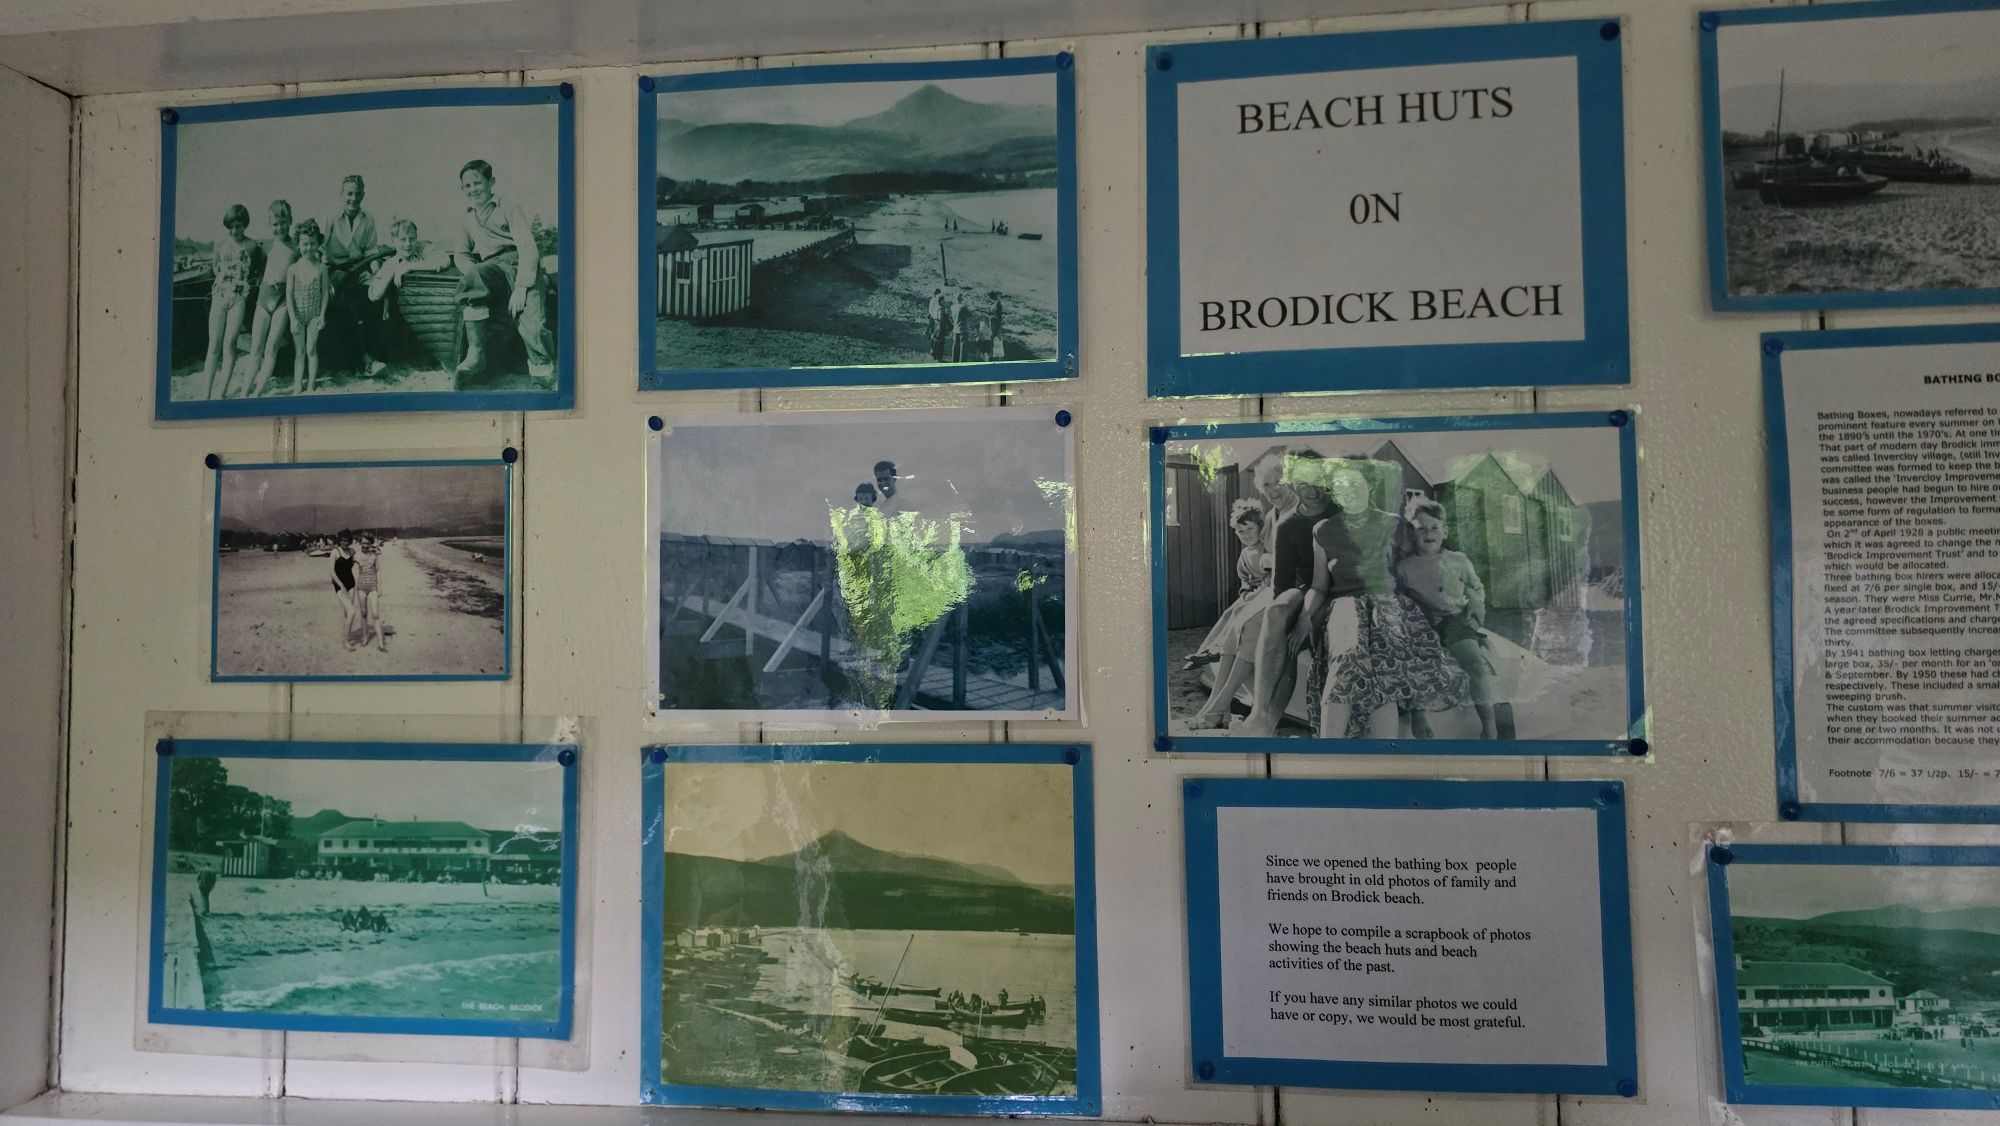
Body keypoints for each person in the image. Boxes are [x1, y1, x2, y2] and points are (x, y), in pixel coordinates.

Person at [1296, 464, 1467, 739]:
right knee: (1349, 652)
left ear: (1369, 486)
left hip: (1388, 602)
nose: (1349, 491)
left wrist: (1450, 601)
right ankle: (1330, 751)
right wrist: (1304, 617)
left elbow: (1422, 559)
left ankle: (1384, 754)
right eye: (1341, 487)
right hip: (1345, 603)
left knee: (1382, 661)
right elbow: (1318, 586)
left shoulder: (1394, 523)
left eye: (1356, 484)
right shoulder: (1323, 530)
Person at [1233, 449, 1328, 736]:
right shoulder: (1287, 525)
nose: (1309, 489)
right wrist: (1286, 619)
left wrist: (1306, 619)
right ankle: (1261, 715)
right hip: (1305, 588)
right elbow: (1282, 587)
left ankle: (1265, 720)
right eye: (1301, 481)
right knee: (1276, 613)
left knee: (1293, 633)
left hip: (1338, 589)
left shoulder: (1339, 511)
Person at [1396, 499, 1498, 738]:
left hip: (1455, 619)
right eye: (1420, 528)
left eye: (1434, 527)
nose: (1428, 533)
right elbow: (1398, 598)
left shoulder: (1458, 560)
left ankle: (1490, 726)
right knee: (1413, 657)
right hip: (1422, 622)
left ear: (1445, 531)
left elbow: (1477, 588)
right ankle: (1418, 714)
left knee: (1473, 660)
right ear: (1412, 532)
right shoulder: (1404, 567)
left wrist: (1476, 605)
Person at [453, 158, 555, 382]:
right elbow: (461, 253)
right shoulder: (466, 217)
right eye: (467, 186)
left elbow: (528, 249)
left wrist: (521, 288)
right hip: (493, 268)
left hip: (520, 264)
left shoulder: (508, 206)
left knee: (533, 327)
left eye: (478, 183)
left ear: (491, 182)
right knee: (474, 277)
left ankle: (542, 371)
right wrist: (475, 275)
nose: (473, 189)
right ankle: (477, 353)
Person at [1183, 499, 1271, 729]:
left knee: (1239, 614)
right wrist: (1245, 593)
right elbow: (1244, 580)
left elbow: (1270, 580)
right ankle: (1209, 649)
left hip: (1266, 593)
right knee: (1231, 612)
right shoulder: (1245, 554)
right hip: (1252, 595)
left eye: (1250, 529)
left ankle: (1213, 649)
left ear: (1261, 527)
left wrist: (1253, 594)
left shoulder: (1267, 549)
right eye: (1241, 532)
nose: (1245, 535)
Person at [322, 173, 387, 378]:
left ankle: (377, 356)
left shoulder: (368, 219)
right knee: (348, 303)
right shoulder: (331, 218)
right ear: (341, 194)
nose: (353, 198)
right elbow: (320, 251)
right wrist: (325, 280)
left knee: (379, 293)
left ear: (363, 195)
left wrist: (377, 275)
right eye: (349, 194)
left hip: (360, 268)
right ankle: (364, 360)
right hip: (334, 271)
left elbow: (370, 252)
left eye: (358, 194)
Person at [365, 219, 446, 367]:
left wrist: (410, 267)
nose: (408, 244)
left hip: (432, 308)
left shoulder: (423, 249)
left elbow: (445, 261)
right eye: (402, 239)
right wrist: (395, 269)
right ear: (393, 241)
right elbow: (374, 294)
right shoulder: (390, 263)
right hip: (408, 313)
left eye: (412, 239)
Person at [201, 204, 258, 400]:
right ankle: (205, 392)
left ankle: (221, 392)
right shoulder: (219, 244)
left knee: (230, 344)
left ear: (245, 225)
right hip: (219, 297)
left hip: (239, 299)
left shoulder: (252, 246)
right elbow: (215, 269)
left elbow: (259, 270)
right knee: (214, 344)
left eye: (239, 226)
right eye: (231, 226)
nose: (234, 231)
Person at [245, 199, 296, 397]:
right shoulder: (264, 246)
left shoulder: (296, 248)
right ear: (269, 224)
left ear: (290, 221)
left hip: (282, 301)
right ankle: (245, 389)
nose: (279, 227)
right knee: (255, 349)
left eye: (283, 222)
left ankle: (258, 391)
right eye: (275, 224)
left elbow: (311, 261)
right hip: (263, 300)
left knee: (271, 348)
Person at [284, 219, 332, 394]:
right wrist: (292, 318)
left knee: (311, 350)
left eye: (312, 244)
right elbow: (288, 295)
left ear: (318, 244)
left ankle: (311, 383)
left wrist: (322, 315)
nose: (309, 248)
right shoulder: (293, 269)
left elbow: (325, 292)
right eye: (304, 244)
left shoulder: (321, 268)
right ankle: (298, 383)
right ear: (298, 244)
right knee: (300, 351)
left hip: (314, 315)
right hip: (297, 315)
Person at [352, 536, 388, 652]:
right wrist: (355, 587)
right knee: (363, 613)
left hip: (373, 587)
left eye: (367, 543)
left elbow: (378, 571)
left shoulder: (374, 556)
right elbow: (356, 572)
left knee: (375, 614)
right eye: (363, 543)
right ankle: (365, 637)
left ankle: (381, 642)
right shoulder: (356, 556)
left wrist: (380, 587)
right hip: (361, 588)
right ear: (360, 543)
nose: (365, 546)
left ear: (371, 544)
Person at [329, 534, 360, 650]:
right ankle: (345, 641)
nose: (345, 543)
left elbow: (357, 562)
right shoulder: (335, 552)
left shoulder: (352, 551)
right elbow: (332, 572)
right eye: (342, 540)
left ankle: (347, 634)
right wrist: (340, 584)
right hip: (340, 586)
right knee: (352, 612)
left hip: (351, 584)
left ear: (350, 541)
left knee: (348, 613)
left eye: (347, 540)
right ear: (339, 541)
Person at [950, 290, 971, 362]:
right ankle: (962, 362)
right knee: (963, 348)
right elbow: (970, 314)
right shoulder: (963, 307)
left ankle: (954, 361)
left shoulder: (952, 307)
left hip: (955, 329)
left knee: (955, 346)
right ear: (961, 299)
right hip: (963, 329)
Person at [927, 288, 946, 361]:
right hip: (935, 320)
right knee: (936, 337)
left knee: (933, 336)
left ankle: (932, 351)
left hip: (933, 318)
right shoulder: (935, 301)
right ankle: (935, 352)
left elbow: (930, 310)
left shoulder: (932, 300)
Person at [987, 291, 1005, 361]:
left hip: (995, 323)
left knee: (997, 339)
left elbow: (999, 316)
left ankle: (998, 358)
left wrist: (998, 326)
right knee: (994, 339)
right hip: (993, 323)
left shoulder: (997, 303)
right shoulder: (994, 303)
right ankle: (994, 357)